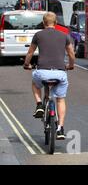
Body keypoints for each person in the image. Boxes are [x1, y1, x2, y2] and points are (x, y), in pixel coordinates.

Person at [23, 12, 75, 140]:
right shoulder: (64, 36)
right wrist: (71, 65)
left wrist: (26, 64)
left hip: (42, 72)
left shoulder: (38, 35)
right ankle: (60, 128)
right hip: (60, 73)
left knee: (35, 84)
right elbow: (71, 54)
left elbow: (30, 52)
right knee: (60, 99)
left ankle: (39, 104)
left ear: (43, 23)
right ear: (56, 23)